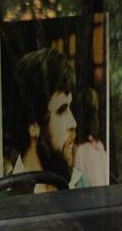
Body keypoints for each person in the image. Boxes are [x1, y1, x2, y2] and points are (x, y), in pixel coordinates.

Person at [8, 46, 78, 190]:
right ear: (33, 124)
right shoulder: (5, 203)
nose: (73, 123)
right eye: (62, 110)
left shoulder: (80, 183)